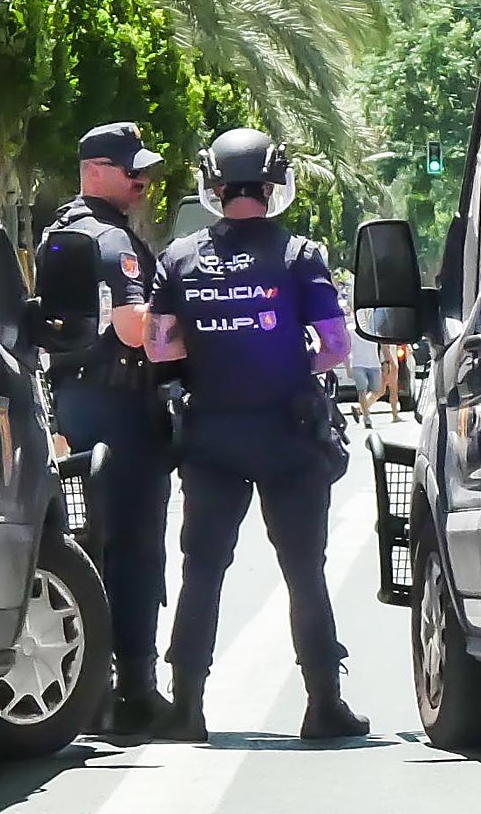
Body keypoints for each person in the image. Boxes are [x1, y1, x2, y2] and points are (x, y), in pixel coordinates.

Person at [143, 127, 370, 742]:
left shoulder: (179, 258)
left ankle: (185, 706)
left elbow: (159, 347)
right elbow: (336, 346)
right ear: (273, 186)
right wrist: (287, 357)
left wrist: (210, 350)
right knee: (304, 569)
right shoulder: (299, 255)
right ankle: (324, 705)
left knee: (203, 568)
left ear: (212, 185)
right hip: (290, 437)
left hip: (211, 438)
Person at [42, 122, 174, 736]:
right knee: (136, 546)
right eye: (133, 172)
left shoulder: (55, 234)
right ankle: (137, 689)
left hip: (74, 406)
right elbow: (132, 327)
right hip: (122, 412)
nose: (144, 182)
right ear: (95, 169)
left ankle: (87, 687)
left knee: (89, 545)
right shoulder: (110, 239)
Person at [345, 318, 383, 428]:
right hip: (357, 364)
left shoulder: (374, 327)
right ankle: (367, 418)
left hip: (374, 363)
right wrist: (348, 367)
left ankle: (359, 409)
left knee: (377, 391)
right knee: (362, 390)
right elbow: (346, 349)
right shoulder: (350, 329)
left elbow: (384, 344)